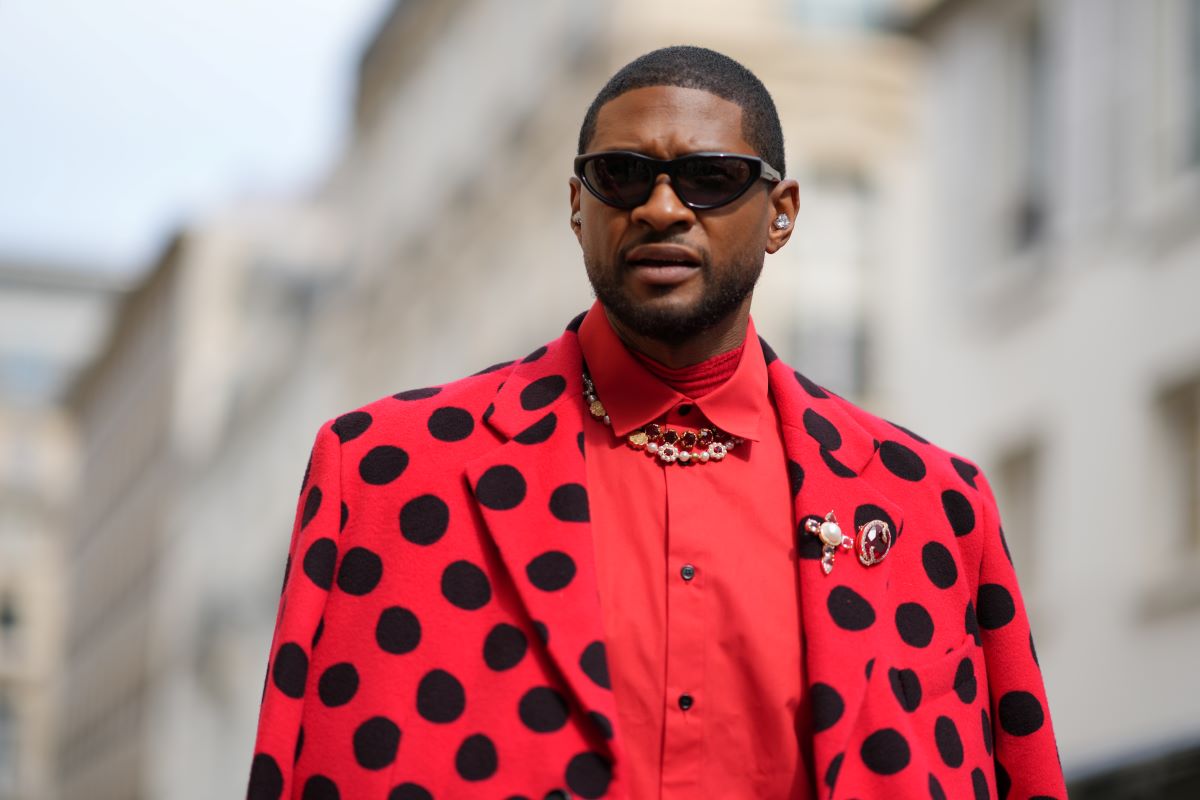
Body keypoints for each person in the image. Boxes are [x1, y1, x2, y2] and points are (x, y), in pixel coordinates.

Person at [248, 46, 1066, 800]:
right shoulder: (386, 471)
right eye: (621, 174)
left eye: (710, 178)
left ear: (781, 213)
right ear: (578, 207)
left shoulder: (932, 505)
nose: (663, 208)